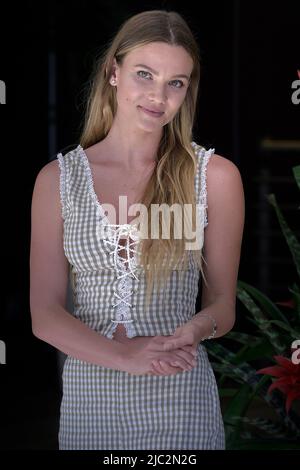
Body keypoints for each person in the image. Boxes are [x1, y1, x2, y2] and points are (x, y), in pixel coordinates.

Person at [29, 9, 245, 450]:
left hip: (182, 405)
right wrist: (127, 357)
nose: (158, 96)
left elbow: (223, 305)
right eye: (144, 74)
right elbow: (45, 316)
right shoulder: (58, 180)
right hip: (90, 410)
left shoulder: (215, 177)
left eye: (175, 83)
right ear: (113, 71)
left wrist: (198, 327)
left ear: (188, 91)